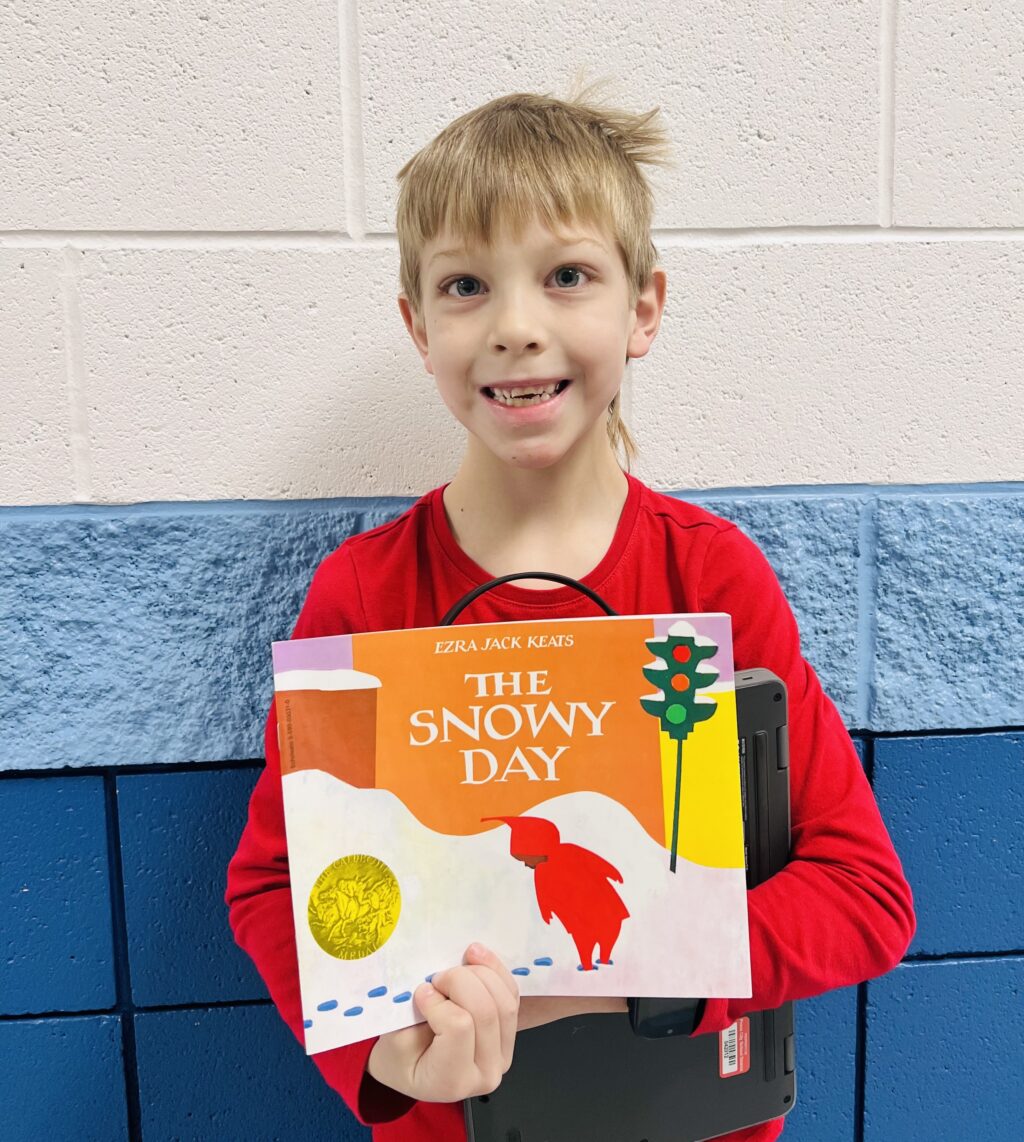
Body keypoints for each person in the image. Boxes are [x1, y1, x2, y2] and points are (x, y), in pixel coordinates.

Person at [226, 85, 916, 1142]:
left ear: (641, 307)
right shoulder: (365, 596)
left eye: (566, 276)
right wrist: (384, 1053)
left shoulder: (709, 580)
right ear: (418, 327)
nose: (514, 326)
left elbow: (861, 893)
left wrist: (615, 976)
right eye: (465, 284)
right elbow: (277, 884)